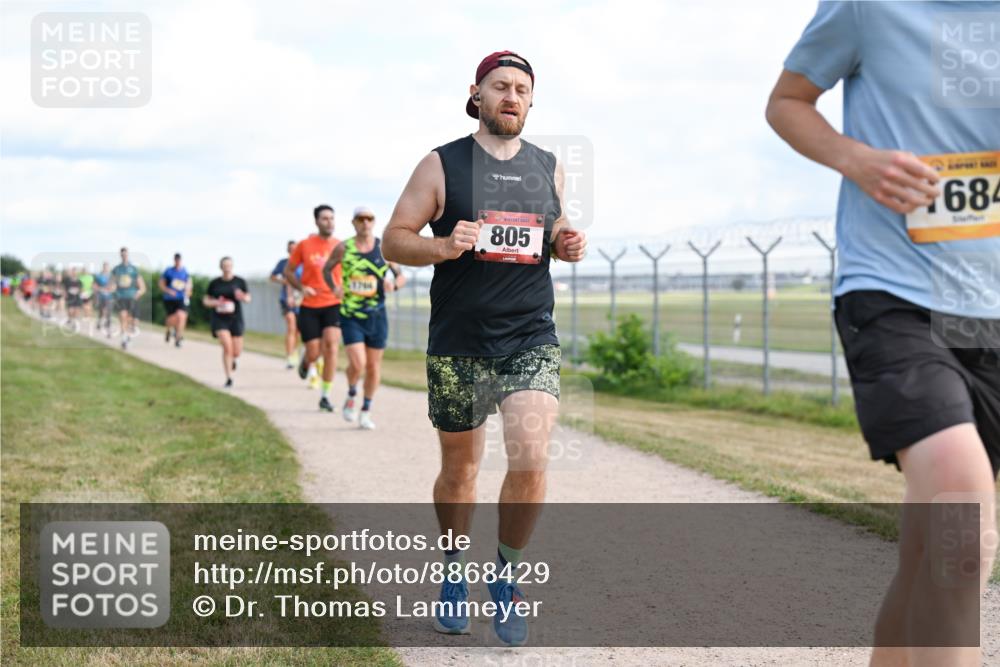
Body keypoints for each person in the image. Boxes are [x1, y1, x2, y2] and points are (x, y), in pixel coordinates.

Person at [767, 4, 999, 666]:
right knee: (962, 514)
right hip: (893, 293)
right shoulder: (868, 6)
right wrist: (858, 160)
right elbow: (787, 101)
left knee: (931, 555)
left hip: (989, 305)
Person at [382, 51, 587, 645]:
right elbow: (397, 239)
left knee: (530, 455)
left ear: (530, 101)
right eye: (501, 86)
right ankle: (453, 572)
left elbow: (553, 232)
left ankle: (507, 577)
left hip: (529, 335)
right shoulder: (441, 163)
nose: (512, 97)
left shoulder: (548, 166)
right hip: (459, 342)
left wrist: (566, 242)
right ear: (476, 94)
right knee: (461, 471)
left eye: (522, 89)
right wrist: (443, 247)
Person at [322, 206, 406, 430]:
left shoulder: (383, 248)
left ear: (374, 222)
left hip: (377, 316)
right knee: (358, 363)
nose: (365, 223)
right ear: (353, 223)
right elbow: (326, 269)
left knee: (373, 366)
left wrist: (393, 285)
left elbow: (400, 277)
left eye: (369, 219)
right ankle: (351, 394)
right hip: (351, 315)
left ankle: (366, 410)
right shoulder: (343, 248)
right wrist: (334, 287)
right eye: (361, 219)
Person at [285, 205, 343, 412]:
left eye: (332, 218)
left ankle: (325, 396)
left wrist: (342, 289)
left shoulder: (340, 246)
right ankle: (306, 362)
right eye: (325, 218)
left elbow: (348, 273)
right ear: (317, 221)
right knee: (314, 352)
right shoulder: (304, 245)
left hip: (333, 304)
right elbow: (288, 271)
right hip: (309, 305)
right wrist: (301, 287)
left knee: (332, 347)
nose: (329, 222)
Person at [203, 256, 251, 388]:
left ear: (232, 266)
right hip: (219, 319)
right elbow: (206, 301)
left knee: (236, 351)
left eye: (229, 265)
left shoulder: (240, 282)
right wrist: (215, 302)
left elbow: (248, 298)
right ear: (221, 267)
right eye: (224, 265)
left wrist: (242, 297)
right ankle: (229, 378)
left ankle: (234, 359)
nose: (227, 268)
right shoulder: (215, 283)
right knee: (227, 346)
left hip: (235, 318)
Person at [270, 240, 304, 369]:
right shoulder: (283, 263)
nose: (293, 251)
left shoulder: (304, 263)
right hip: (286, 299)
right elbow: (272, 277)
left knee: (299, 331)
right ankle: (290, 357)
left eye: (295, 248)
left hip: (301, 299)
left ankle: (296, 352)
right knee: (291, 326)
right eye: (290, 249)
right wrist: (284, 281)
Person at [111, 247, 146, 349]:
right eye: (122, 254)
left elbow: (142, 286)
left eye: (125, 254)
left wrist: (139, 293)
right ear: (120, 255)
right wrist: (112, 289)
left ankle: (129, 335)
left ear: (128, 254)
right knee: (123, 316)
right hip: (121, 297)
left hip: (132, 298)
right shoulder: (116, 269)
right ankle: (124, 339)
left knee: (133, 321)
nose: (124, 256)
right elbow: (112, 283)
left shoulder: (134, 269)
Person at [159, 252, 192, 347]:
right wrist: (168, 290)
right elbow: (161, 284)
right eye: (176, 259)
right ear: (174, 260)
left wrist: (188, 291)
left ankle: (178, 337)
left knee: (182, 316)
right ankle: (169, 329)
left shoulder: (185, 271)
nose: (178, 261)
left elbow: (189, 283)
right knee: (171, 318)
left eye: (179, 260)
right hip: (170, 299)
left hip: (181, 298)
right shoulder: (169, 271)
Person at [93, 262, 113, 335]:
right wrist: (100, 289)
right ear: (103, 267)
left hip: (109, 296)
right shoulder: (98, 276)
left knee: (108, 311)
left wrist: (110, 289)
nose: (106, 268)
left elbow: (114, 286)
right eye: (105, 267)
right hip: (101, 296)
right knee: (101, 311)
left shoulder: (111, 276)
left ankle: (108, 327)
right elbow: (94, 286)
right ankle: (99, 322)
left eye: (107, 267)